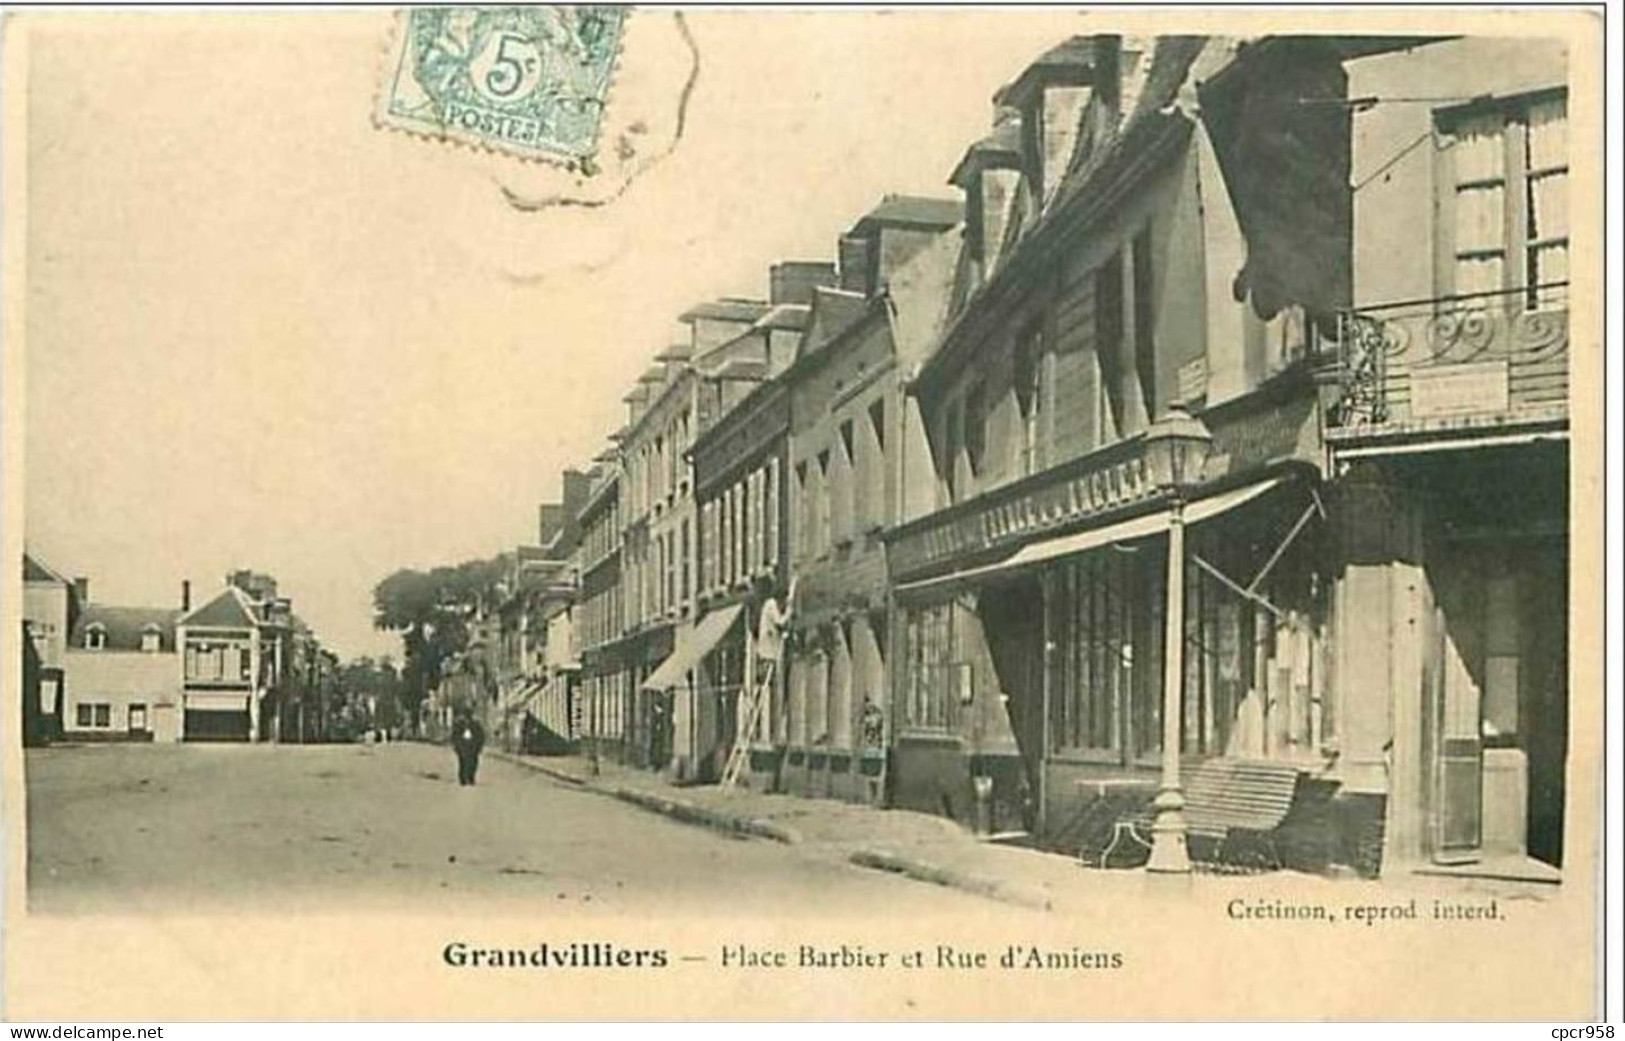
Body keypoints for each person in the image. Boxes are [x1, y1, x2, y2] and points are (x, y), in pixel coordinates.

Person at [451, 712, 486, 786]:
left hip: (472, 746)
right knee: (463, 762)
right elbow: (455, 736)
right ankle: (463, 778)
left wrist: (479, 746)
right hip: (463, 746)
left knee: (473, 763)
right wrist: (457, 746)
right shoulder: (460, 724)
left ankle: (470, 777)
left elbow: (480, 736)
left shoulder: (475, 724)